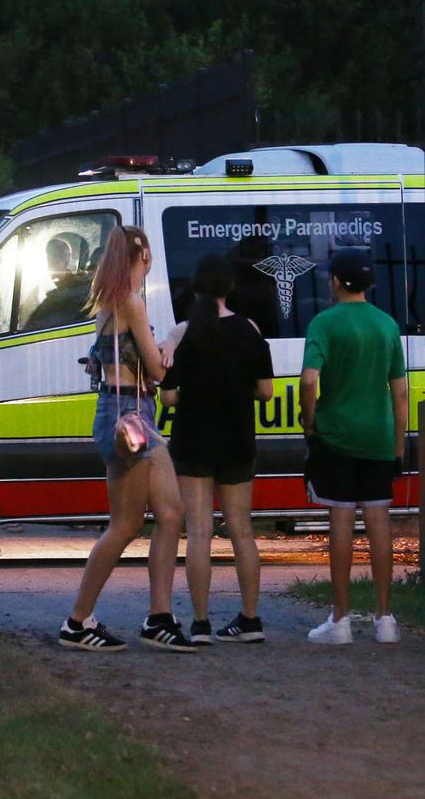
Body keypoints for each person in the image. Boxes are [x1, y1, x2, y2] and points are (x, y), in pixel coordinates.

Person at [59, 226, 194, 652]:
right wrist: (173, 338)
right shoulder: (131, 302)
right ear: (145, 256)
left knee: (171, 513)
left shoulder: (108, 303)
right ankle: (78, 622)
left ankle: (159, 616)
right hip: (130, 417)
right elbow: (156, 371)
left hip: (126, 414)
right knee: (126, 524)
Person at [160, 255, 274, 645]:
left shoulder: (183, 332)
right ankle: (250, 619)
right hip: (238, 439)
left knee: (199, 534)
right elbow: (266, 391)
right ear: (230, 288)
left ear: (194, 289)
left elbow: (170, 397)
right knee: (242, 531)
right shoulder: (250, 330)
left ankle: (201, 624)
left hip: (193, 441)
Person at [299, 248, 407, 645]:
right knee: (379, 522)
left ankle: (340, 620)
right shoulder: (387, 325)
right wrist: (397, 447)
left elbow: (310, 381)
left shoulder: (324, 323)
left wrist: (309, 422)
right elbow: (400, 394)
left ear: (337, 282)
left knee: (341, 520)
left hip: (337, 436)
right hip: (378, 436)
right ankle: (386, 619)